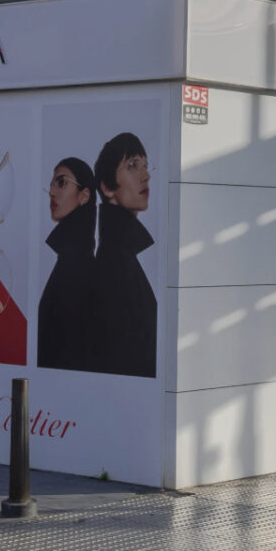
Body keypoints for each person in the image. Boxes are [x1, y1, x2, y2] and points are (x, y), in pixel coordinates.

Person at [90, 132, 156, 377]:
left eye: (146, 166)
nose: (146, 175)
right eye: (132, 165)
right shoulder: (115, 262)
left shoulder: (121, 254)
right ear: (107, 187)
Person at [37, 157, 97, 371]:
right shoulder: (70, 258)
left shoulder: (78, 265)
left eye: (61, 183)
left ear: (84, 196)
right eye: (52, 184)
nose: (52, 192)